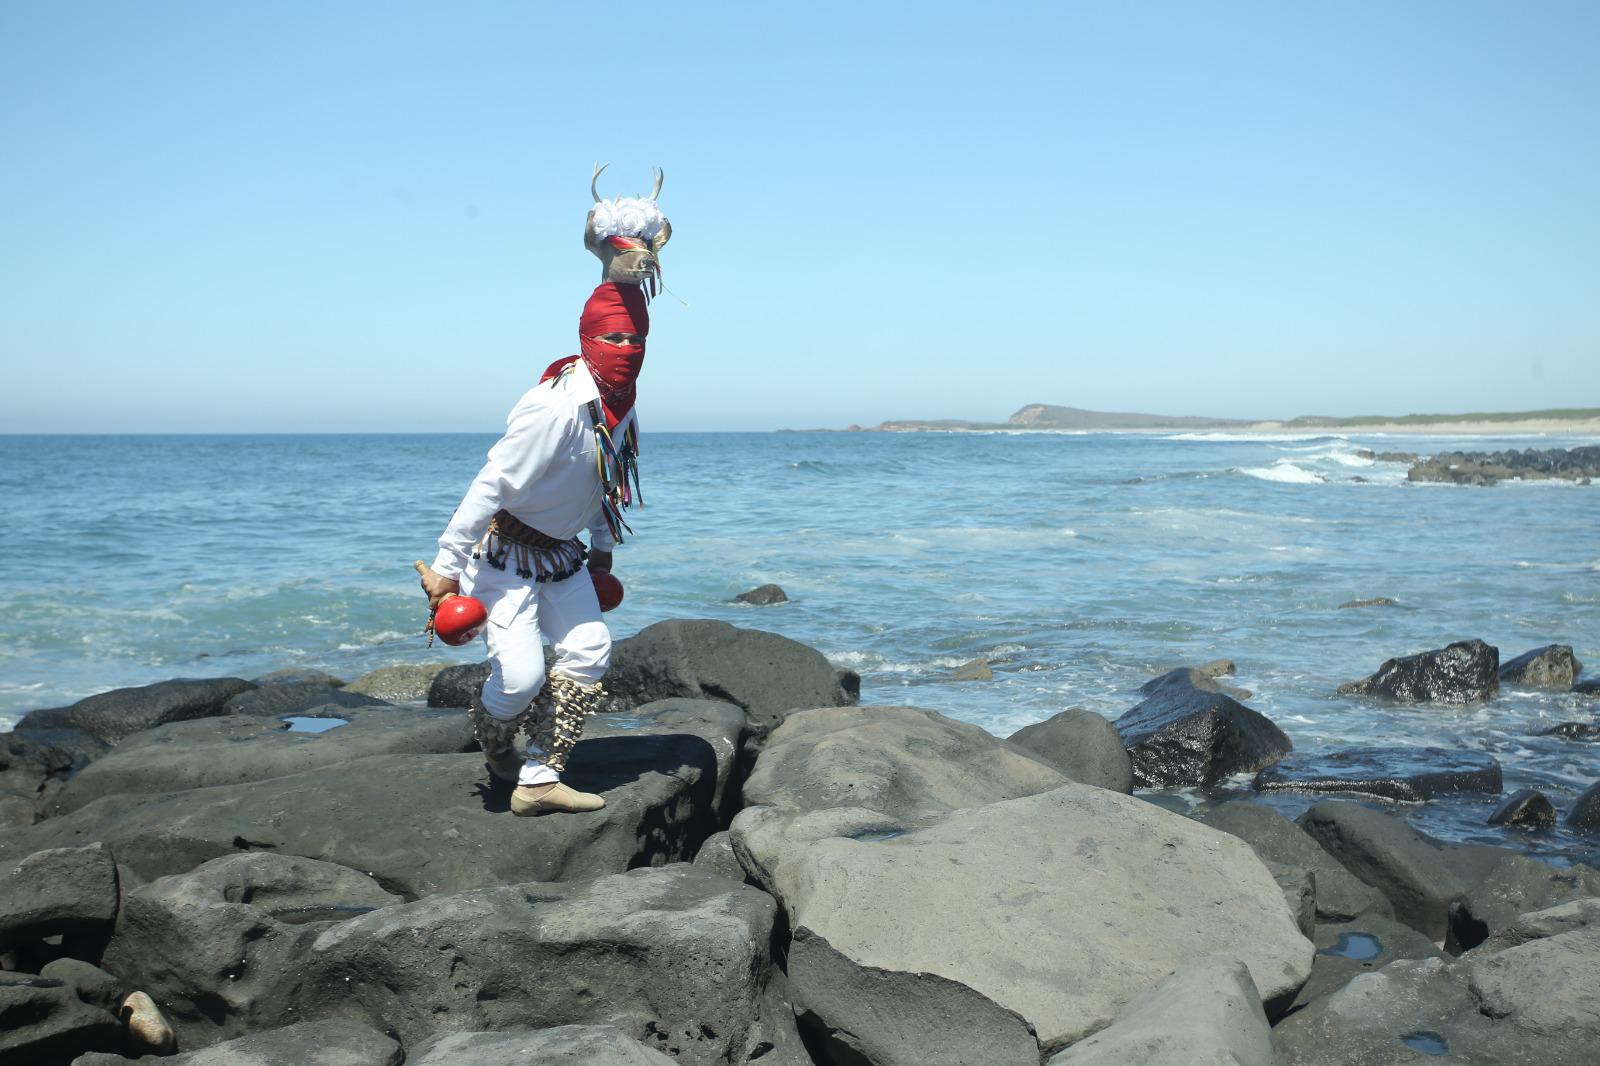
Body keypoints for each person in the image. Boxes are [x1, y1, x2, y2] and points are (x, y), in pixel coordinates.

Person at [416, 170, 668, 815]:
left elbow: (609, 480)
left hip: (563, 557)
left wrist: (604, 551)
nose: (625, 348)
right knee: (522, 678)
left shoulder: (623, 407)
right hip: (502, 559)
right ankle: (494, 733)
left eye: (635, 339)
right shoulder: (554, 407)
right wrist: (447, 570)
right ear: (588, 337)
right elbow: (492, 483)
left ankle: (540, 779)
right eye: (614, 338)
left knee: (590, 650)